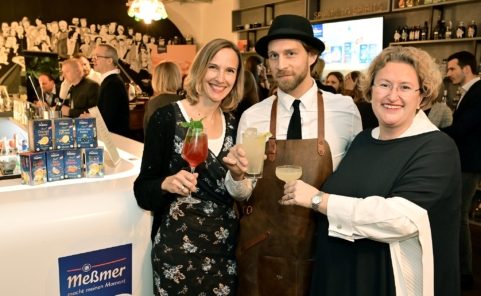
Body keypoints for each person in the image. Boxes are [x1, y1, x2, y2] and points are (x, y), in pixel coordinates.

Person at [280, 46, 461, 296]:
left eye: (405, 87)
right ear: (371, 90)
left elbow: (399, 220)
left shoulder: (436, 148)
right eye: (384, 84)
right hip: (339, 274)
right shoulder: (363, 140)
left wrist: (317, 200)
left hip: (386, 282)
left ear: (422, 96)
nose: (392, 95)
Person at [222, 15, 362, 295]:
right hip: (265, 246)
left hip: (326, 245)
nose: (280, 65)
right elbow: (244, 191)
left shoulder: (344, 111)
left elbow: (354, 184)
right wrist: (236, 176)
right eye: (273, 56)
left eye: (290, 54)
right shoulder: (254, 116)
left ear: (312, 56)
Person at [133, 38, 244, 295]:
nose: (221, 78)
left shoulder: (236, 123)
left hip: (223, 252)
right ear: (200, 68)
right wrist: (165, 183)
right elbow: (142, 191)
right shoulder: (167, 118)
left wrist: (239, 175)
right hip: (176, 253)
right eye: (213, 67)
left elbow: (242, 192)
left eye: (230, 70)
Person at [442, 50, 481, 290]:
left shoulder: (479, 92)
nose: (448, 74)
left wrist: (432, 134)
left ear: (466, 69)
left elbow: (464, 128)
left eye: (452, 69)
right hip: (465, 161)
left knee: (459, 217)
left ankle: (464, 274)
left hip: (470, 162)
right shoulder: (469, 92)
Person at [92, 44, 130, 137]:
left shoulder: (113, 83)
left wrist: (90, 118)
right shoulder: (110, 81)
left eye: (97, 57)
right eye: (93, 57)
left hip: (114, 141)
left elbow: (108, 120)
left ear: (109, 60)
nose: (93, 59)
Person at [143, 61, 183, 134]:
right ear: (178, 78)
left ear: (156, 80)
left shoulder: (152, 104)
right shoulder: (187, 101)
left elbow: (147, 135)